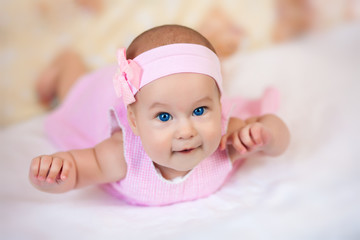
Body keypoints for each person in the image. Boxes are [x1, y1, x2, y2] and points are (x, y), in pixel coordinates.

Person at [29, 24, 290, 206]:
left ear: (219, 105)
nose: (187, 131)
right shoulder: (123, 155)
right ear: (134, 122)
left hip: (148, 90)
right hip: (100, 97)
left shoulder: (228, 137)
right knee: (76, 91)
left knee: (170, 94)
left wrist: (265, 134)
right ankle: (67, 62)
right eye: (164, 117)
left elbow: (277, 141)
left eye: (200, 110)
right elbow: (76, 171)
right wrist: (52, 176)